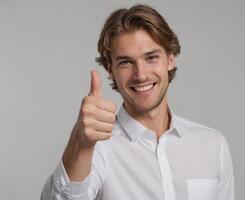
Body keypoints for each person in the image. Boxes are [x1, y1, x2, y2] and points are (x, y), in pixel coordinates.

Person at [41, 4, 234, 200]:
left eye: (151, 57)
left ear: (170, 59)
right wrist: (80, 144)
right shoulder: (98, 148)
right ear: (110, 69)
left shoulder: (213, 145)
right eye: (126, 62)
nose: (141, 75)